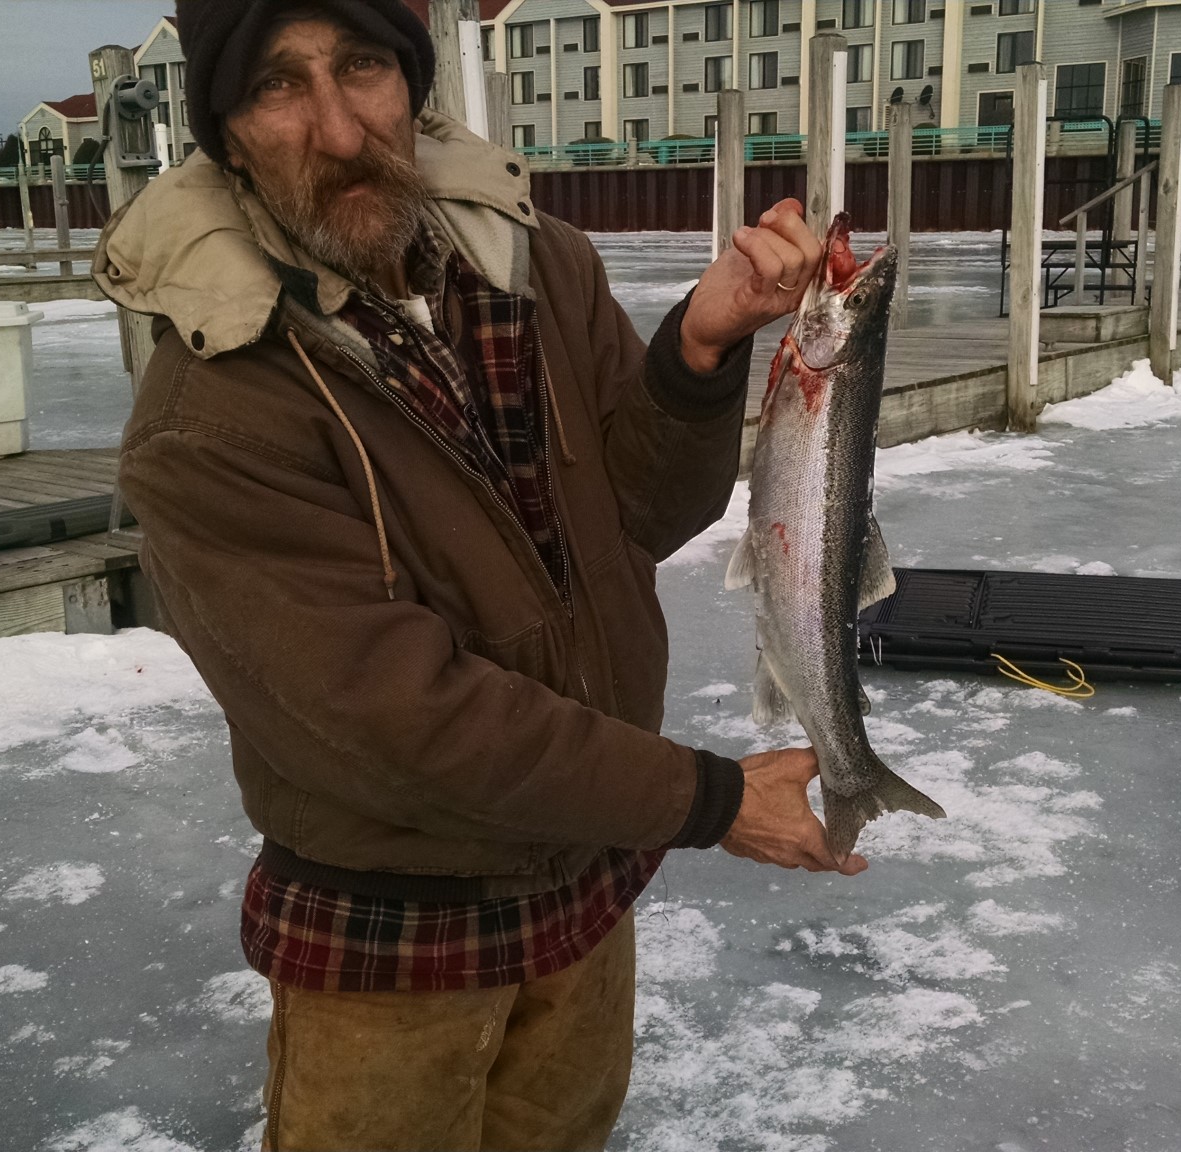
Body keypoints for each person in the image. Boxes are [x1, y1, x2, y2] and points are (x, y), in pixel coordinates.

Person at [97, 2, 866, 1147]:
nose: (340, 128)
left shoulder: (535, 265)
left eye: (362, 66)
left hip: (585, 880)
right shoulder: (210, 414)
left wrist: (698, 351)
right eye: (275, 85)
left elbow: (640, 513)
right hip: (391, 935)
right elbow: (398, 717)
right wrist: (703, 801)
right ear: (225, 129)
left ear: (412, 82)